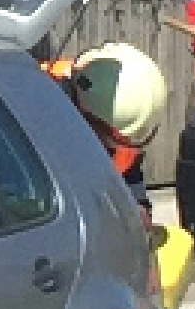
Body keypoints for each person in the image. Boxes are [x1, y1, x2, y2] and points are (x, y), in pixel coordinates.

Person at [44, 42, 168, 220]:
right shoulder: (35, 118)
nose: (110, 146)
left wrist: (139, 208)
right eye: (112, 138)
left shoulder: (120, 124)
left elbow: (130, 175)